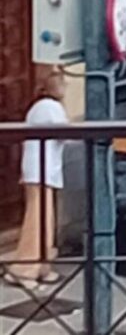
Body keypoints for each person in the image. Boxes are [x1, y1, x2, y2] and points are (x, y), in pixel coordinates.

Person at [6, 68, 69, 289]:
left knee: (42, 216)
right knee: (39, 218)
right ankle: (25, 268)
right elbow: (66, 134)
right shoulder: (51, 107)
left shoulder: (38, 107)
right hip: (42, 168)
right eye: (62, 83)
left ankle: (41, 265)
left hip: (38, 167)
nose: (66, 87)